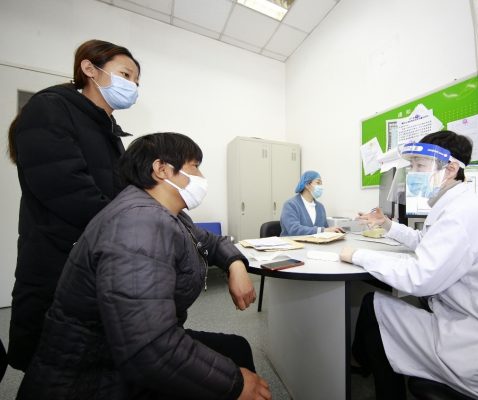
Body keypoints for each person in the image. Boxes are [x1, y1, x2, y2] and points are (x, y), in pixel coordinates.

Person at [16, 132, 272, 400]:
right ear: (161, 169)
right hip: (93, 375)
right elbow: (150, 348)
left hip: (126, 349)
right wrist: (234, 384)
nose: (202, 177)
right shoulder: (139, 224)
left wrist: (235, 265)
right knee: (235, 363)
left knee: (236, 347)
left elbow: (213, 242)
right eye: (195, 166)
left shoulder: (170, 215)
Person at [340, 131, 478, 400]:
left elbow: (419, 278)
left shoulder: (459, 214)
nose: (412, 173)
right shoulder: (460, 205)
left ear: (450, 169)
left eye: (419, 165)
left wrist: (358, 255)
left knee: (374, 307)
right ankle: (364, 362)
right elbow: (426, 242)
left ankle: (373, 377)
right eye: (411, 166)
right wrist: (388, 225)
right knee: (387, 308)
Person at [7, 39, 141, 371]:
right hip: (58, 262)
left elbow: (120, 194)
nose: (132, 86)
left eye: (137, 82)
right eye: (126, 74)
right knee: (53, 369)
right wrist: (135, 227)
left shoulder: (107, 131)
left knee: (92, 368)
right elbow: (68, 190)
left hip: (94, 261)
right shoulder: (50, 108)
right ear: (89, 68)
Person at [280, 170, 344, 236]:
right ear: (307, 185)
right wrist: (322, 230)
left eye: (321, 184)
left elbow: (326, 229)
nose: (321, 187)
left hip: (315, 243)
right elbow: (294, 230)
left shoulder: (320, 207)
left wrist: (334, 233)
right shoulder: (291, 205)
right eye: (318, 183)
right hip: (292, 242)